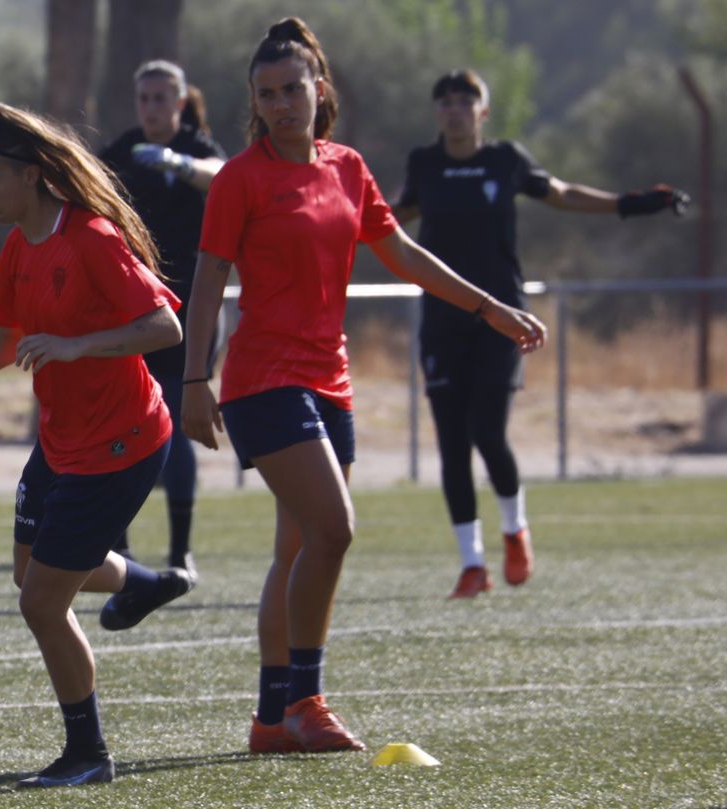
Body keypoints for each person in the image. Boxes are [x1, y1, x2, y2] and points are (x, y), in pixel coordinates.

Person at [180, 19, 547, 754]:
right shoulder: (240, 179)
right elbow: (210, 279)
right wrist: (195, 377)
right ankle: (307, 702)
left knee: (295, 550)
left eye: (293, 89)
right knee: (335, 529)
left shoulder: (347, 167)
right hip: (262, 379)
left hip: (330, 379)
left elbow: (403, 252)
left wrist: (488, 305)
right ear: (254, 103)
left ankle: (267, 720)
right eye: (267, 95)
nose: (282, 104)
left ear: (320, 91)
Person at [0, 103, 196, 787]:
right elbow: (1, 342)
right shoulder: (21, 245)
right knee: (32, 574)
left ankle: (89, 753)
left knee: (41, 603)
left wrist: (78, 345)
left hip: (121, 445)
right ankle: (140, 582)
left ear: (32, 176)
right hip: (61, 444)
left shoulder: (93, 238)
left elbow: (164, 326)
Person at [393, 68, 691, 599]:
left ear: (483, 112)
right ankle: (471, 565)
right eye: (445, 102)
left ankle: (514, 530)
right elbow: (387, 219)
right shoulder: (425, 165)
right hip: (443, 321)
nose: (455, 109)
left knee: (488, 432)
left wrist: (630, 203)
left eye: (467, 100)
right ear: (436, 112)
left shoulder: (506, 160)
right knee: (452, 446)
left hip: (502, 319)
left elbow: (562, 193)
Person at [99, 59, 227, 574]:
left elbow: (223, 178)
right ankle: (121, 548)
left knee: (174, 425)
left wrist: (176, 164)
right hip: (129, 312)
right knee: (120, 425)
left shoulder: (197, 149)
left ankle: (180, 552)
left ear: (178, 103)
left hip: (189, 311)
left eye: (160, 99)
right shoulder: (124, 152)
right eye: (144, 98)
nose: (151, 108)